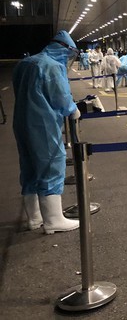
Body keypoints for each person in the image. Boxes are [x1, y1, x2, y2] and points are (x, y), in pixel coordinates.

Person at [12, 30, 81, 234]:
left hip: (22, 122)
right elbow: (60, 97)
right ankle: (53, 220)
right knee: (52, 164)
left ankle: (34, 218)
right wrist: (73, 110)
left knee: (30, 168)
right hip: (43, 123)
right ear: (64, 48)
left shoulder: (25, 63)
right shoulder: (51, 66)